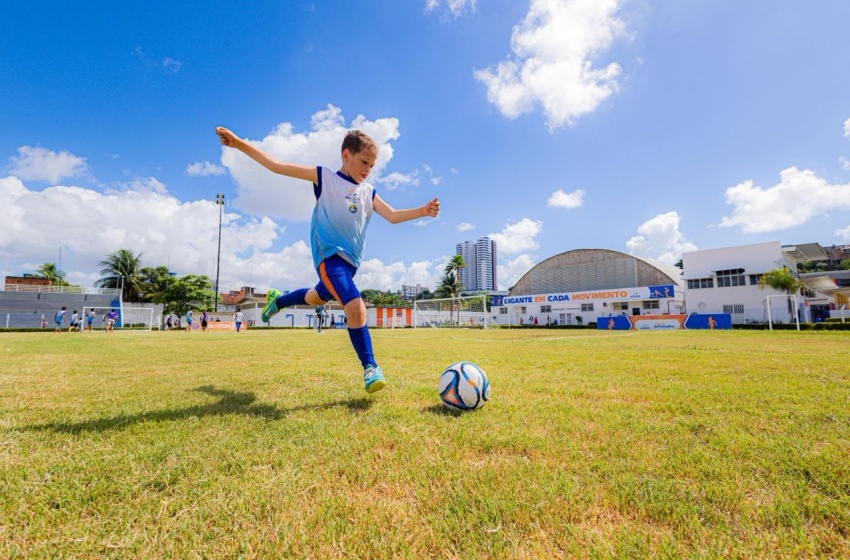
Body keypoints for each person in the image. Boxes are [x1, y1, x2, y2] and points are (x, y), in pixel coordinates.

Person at [216, 126, 440, 393]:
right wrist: (240, 143)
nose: (369, 169)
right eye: (364, 162)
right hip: (329, 258)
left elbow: (392, 216)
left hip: (350, 264)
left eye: (372, 165)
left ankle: (279, 299)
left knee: (316, 297)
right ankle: (370, 367)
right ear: (346, 155)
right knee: (355, 306)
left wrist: (422, 211)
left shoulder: (369, 192)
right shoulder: (324, 178)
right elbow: (278, 166)